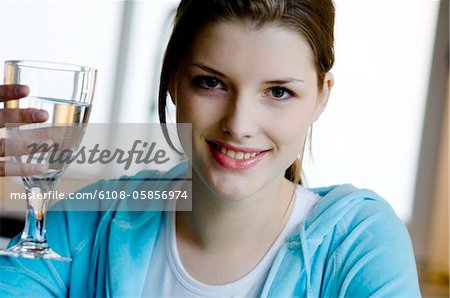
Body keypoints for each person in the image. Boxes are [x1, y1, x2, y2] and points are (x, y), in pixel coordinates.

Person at [0, 0, 421, 297]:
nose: (238, 125)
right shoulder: (83, 225)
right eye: (211, 82)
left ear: (321, 95)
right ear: (172, 79)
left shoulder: (357, 245)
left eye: (278, 91)